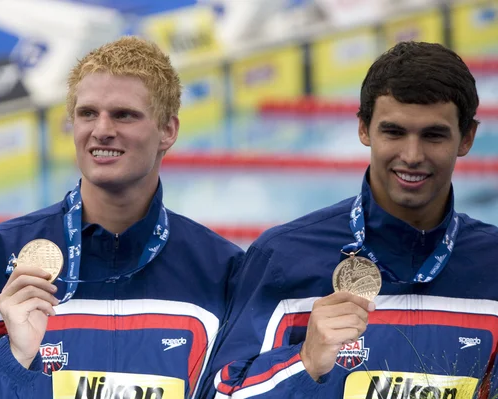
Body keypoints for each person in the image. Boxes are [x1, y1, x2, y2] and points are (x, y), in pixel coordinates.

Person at [0, 36, 243, 398]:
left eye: (124, 114)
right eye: (88, 113)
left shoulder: (221, 270)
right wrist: (13, 359)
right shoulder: (1, 255)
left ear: (167, 131)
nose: (102, 129)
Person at [199, 41, 498, 398]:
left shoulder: (491, 264)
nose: (412, 155)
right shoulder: (283, 258)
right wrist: (305, 361)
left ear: (467, 138)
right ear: (363, 129)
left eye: (433, 135)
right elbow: (219, 392)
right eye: (394, 132)